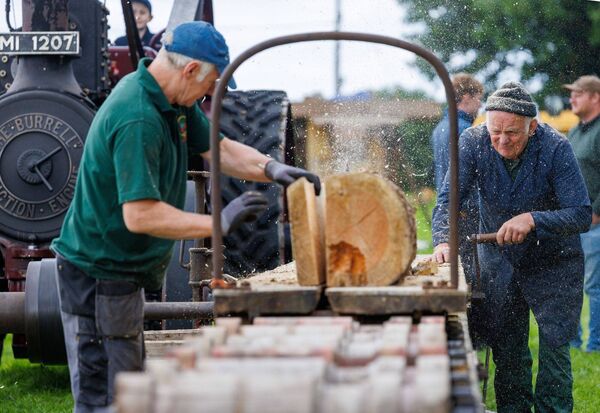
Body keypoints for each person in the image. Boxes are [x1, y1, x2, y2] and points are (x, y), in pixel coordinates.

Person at [51, 21, 320, 413]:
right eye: (209, 84)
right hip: (97, 277)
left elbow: (220, 149)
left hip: (120, 275)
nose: (209, 93)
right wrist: (217, 224)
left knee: (126, 392)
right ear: (190, 69)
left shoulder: (173, 101)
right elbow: (140, 215)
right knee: (106, 400)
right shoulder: (138, 116)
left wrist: (272, 169)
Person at [432, 81, 590, 412]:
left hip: (554, 262)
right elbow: (450, 199)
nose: (502, 140)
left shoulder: (556, 148)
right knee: (509, 354)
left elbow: (581, 214)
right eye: (496, 132)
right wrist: (444, 240)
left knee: (555, 356)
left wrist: (533, 219)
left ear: (532, 127)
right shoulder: (473, 142)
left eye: (513, 134)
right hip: (500, 262)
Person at [430, 73, 483, 289]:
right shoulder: (466, 131)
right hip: (467, 213)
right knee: (473, 281)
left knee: (459, 273)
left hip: (450, 210)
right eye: (480, 98)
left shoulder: (440, 128)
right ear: (467, 97)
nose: (481, 104)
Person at [564, 75, 600, 353]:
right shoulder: (575, 132)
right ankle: (573, 341)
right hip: (572, 222)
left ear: (595, 96)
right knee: (569, 285)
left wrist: (596, 212)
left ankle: (595, 344)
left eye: (578, 94)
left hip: (596, 224)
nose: (571, 99)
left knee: (594, 287)